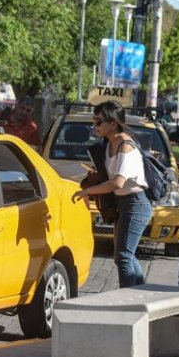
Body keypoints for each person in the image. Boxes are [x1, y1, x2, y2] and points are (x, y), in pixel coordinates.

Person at [72, 101, 152, 288]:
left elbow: (117, 182)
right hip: (121, 203)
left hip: (136, 204)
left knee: (123, 256)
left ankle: (127, 301)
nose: (95, 126)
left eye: (99, 121)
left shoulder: (126, 147)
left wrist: (87, 191)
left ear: (113, 123)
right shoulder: (108, 144)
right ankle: (140, 294)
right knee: (125, 256)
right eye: (94, 120)